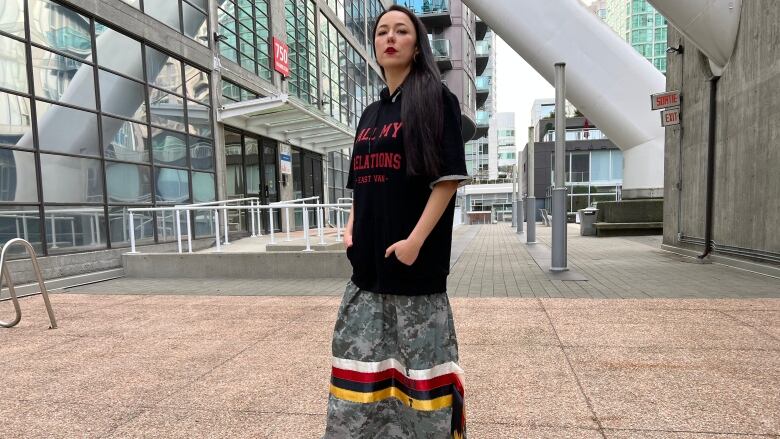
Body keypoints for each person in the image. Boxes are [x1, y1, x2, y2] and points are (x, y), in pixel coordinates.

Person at [323, 5, 469, 439]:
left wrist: (415, 242)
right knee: (360, 372)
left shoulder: (435, 99)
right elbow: (361, 184)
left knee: (420, 380)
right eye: (382, 31)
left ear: (416, 42)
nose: (390, 37)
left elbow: (446, 181)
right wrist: (351, 226)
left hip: (414, 273)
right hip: (367, 272)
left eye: (401, 31)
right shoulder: (369, 115)